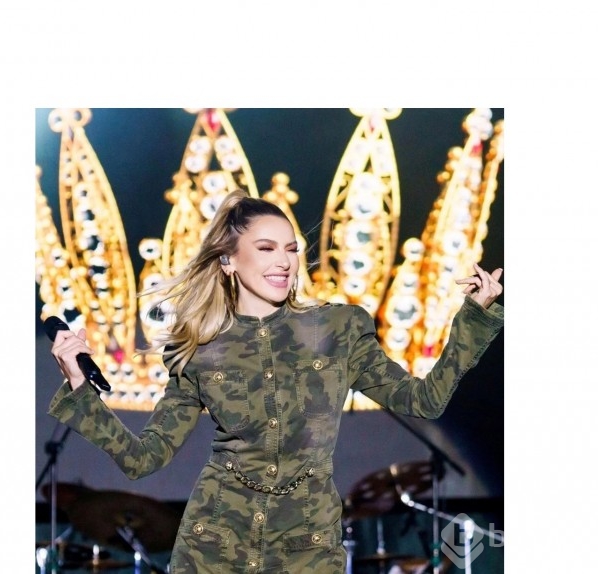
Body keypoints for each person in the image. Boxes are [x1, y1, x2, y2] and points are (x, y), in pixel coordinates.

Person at [47, 188, 504, 574]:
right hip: (214, 545)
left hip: (308, 545)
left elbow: (423, 400)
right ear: (228, 260)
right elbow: (143, 459)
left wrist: (474, 319)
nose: (284, 261)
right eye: (266, 248)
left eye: (291, 248)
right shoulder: (200, 348)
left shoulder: (338, 329)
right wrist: (79, 386)